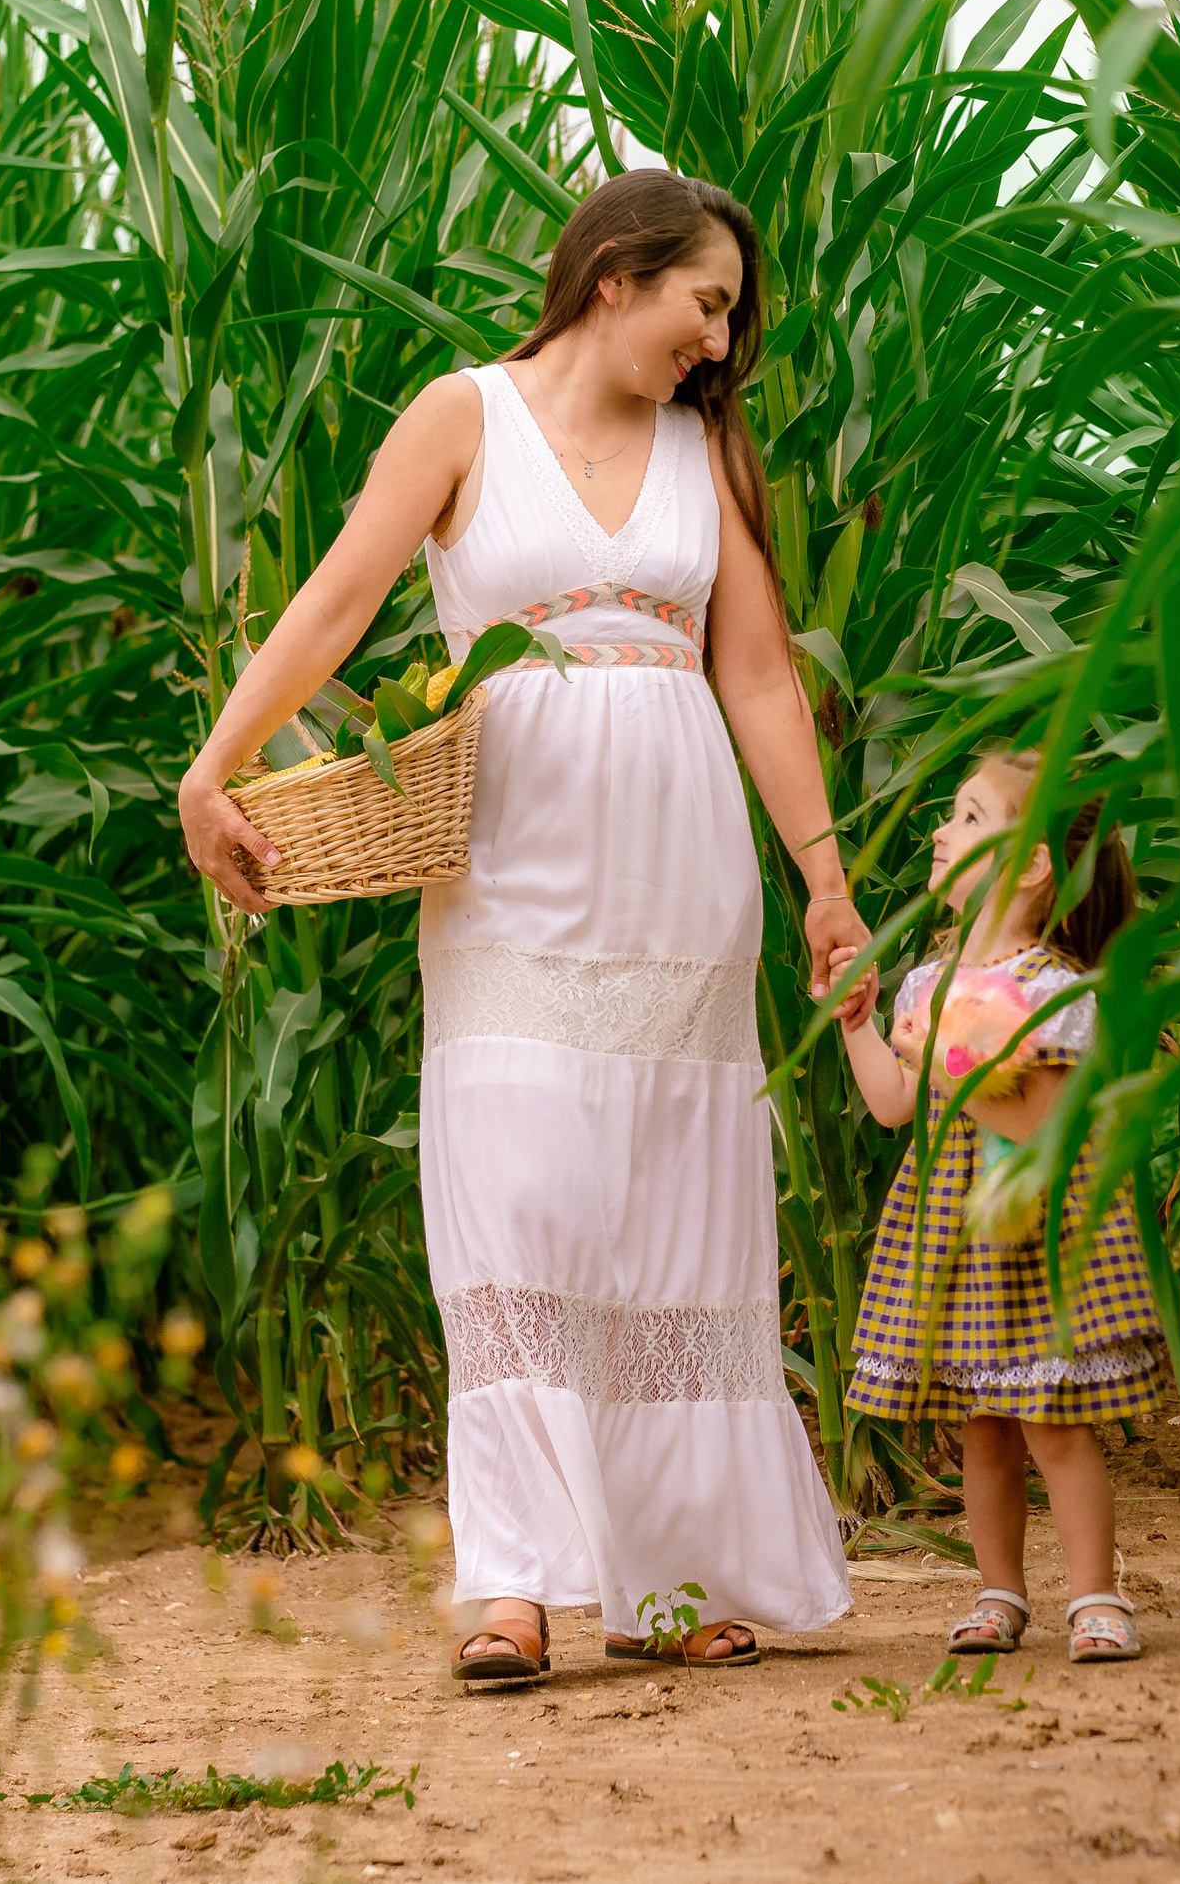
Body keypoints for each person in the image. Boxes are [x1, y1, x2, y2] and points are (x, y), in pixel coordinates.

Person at [179, 169, 862, 1684]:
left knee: (672, 1200)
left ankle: (669, 1578)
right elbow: (340, 600)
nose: (720, 336)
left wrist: (826, 878)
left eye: (734, 315)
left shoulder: (709, 449)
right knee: (518, 1186)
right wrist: (214, 762)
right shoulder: (462, 414)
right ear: (616, 273)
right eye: (706, 301)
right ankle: (516, 1583)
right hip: (510, 867)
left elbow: (754, 675)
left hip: (682, 868)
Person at [825, 750, 1162, 1664]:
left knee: (1052, 1417)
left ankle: (1096, 1592)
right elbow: (898, 1104)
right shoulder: (928, 986)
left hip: (1037, 1228)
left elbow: (1037, 1119)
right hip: (956, 1232)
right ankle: (998, 1590)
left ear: (1038, 862)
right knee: (982, 1425)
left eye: (970, 818)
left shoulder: (1054, 988)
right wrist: (862, 1026)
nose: (940, 830)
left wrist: (936, 1051)